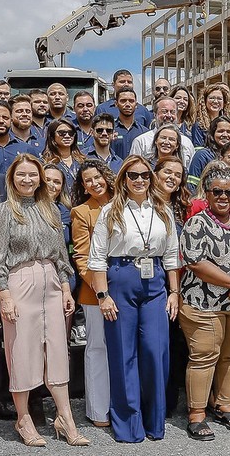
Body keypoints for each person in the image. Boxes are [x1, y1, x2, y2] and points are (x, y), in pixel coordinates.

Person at [0, 154, 88, 447]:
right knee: (22, 352)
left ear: (40, 179)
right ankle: (23, 418)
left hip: (52, 281)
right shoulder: (4, 212)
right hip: (20, 282)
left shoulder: (51, 209)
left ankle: (65, 418)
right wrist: (4, 294)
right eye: (21, 174)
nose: (27, 180)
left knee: (57, 351)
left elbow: (61, 255)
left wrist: (66, 289)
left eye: (32, 175)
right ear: (12, 179)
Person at [88, 156, 180, 443]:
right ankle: (128, 424)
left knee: (155, 350)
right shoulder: (110, 211)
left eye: (144, 175)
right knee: (122, 352)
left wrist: (174, 292)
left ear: (151, 178)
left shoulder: (163, 209)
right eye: (133, 175)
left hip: (155, 283)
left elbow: (172, 255)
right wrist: (103, 296)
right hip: (121, 278)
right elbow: (97, 258)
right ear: (124, 179)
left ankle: (154, 421)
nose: (139, 180)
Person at [178, 165, 230, 441]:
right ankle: (197, 413)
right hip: (203, 303)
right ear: (207, 193)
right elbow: (196, 262)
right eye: (217, 192)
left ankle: (224, 404)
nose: (223, 197)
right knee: (204, 356)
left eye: (228, 192)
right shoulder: (196, 223)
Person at [69, 159, 115, 428]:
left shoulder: (124, 203)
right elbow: (82, 258)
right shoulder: (81, 212)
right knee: (97, 347)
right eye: (88, 181)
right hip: (95, 293)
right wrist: (102, 290)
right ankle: (98, 410)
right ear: (83, 186)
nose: (95, 183)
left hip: (126, 288)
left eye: (98, 177)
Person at [42, 118, 85, 193]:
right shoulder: (44, 162)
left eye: (71, 133)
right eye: (62, 133)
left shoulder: (83, 161)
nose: (67, 136)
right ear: (52, 136)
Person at [191, 83, 230, 148]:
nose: (215, 101)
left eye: (219, 99)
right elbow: (198, 148)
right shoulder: (199, 125)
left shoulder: (228, 123)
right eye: (212, 98)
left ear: (224, 103)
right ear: (205, 101)